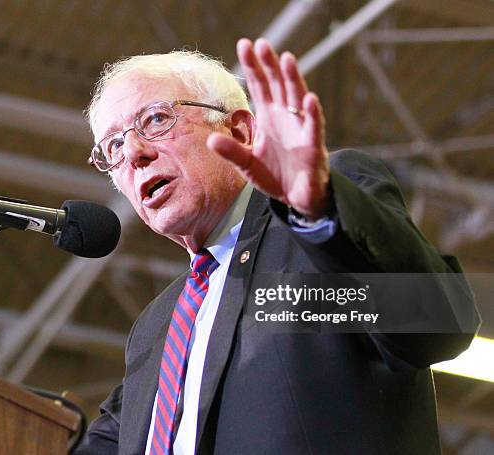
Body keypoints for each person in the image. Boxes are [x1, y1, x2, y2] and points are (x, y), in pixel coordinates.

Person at [73, 38, 480, 454]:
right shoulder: (158, 326)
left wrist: (322, 212)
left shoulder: (313, 231)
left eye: (156, 119)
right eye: (114, 147)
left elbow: (439, 323)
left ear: (239, 130)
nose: (135, 153)